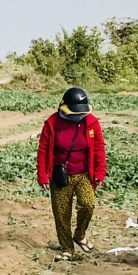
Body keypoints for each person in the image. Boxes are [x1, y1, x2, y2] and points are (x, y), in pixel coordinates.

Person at [36, 87, 107, 254]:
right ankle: (67, 249)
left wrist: (99, 172)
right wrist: (43, 175)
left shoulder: (91, 123)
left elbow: (99, 148)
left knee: (87, 205)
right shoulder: (53, 123)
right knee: (61, 213)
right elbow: (43, 149)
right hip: (60, 175)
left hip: (83, 174)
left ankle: (80, 234)